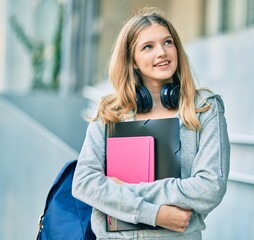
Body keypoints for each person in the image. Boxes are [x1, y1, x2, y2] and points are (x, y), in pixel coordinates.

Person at [72, 7, 230, 240]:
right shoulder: (110, 112)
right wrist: (153, 214)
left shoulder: (204, 107)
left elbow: (209, 188)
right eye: (148, 47)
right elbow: (84, 183)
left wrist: (122, 190)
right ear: (132, 60)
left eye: (168, 42)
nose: (162, 53)